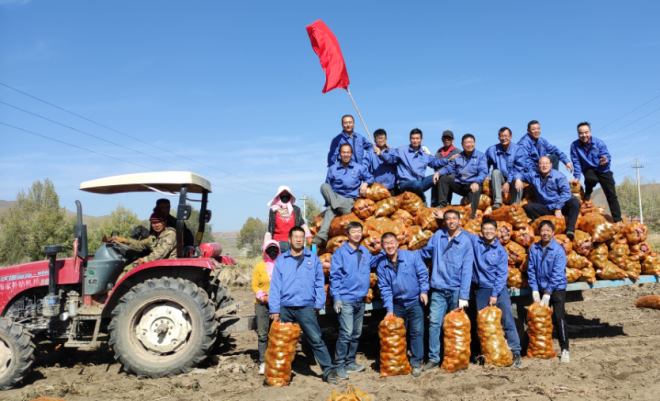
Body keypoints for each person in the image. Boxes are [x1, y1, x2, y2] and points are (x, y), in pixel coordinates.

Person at [269, 226, 339, 384]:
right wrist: (274, 308)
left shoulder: (312, 258)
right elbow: (275, 285)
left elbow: (319, 281)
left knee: (316, 339)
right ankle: (280, 374)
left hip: (306, 306)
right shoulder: (281, 260)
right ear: (289, 239)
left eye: (301, 237)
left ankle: (328, 371)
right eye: (295, 237)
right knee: (282, 342)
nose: (299, 239)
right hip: (285, 307)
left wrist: (319, 301)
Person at [418, 209, 474, 371]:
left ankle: (453, 357)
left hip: (456, 290)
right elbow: (426, 252)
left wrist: (464, 295)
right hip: (438, 289)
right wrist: (406, 255)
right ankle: (434, 358)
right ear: (444, 221)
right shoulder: (438, 236)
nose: (451, 221)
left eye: (454, 218)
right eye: (448, 219)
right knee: (434, 323)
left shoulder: (465, 241)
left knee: (454, 326)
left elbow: (467, 269)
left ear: (459, 221)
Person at [465, 218, 523, 368]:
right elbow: (460, 231)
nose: (488, 231)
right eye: (486, 229)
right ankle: (486, 354)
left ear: (496, 231)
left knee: (507, 320)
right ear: (481, 231)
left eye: (491, 229)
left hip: (498, 289)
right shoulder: (475, 242)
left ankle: (516, 351)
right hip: (481, 289)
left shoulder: (500, 251)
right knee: (483, 324)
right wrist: (445, 218)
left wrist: (494, 294)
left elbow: (502, 275)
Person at [375, 232, 429, 377]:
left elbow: (423, 274)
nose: (390, 246)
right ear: (382, 246)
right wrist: (389, 309)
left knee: (417, 332)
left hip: (415, 301)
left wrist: (424, 291)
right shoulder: (382, 265)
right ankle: (401, 361)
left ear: (397, 243)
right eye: (386, 243)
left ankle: (416, 362)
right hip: (397, 303)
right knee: (397, 334)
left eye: (392, 242)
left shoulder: (411, 256)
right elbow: (385, 289)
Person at [330, 222, 371, 380]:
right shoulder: (340, 253)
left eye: (359, 231)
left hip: (360, 299)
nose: (357, 234)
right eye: (353, 232)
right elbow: (335, 276)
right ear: (347, 234)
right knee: (346, 333)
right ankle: (339, 364)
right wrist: (337, 298)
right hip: (346, 299)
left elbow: (373, 263)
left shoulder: (365, 251)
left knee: (356, 333)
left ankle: (350, 361)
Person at [527, 219, 570, 363]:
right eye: (543, 230)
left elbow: (557, 273)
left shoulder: (558, 250)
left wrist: (548, 292)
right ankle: (543, 347)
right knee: (542, 318)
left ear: (553, 233)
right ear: (539, 232)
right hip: (540, 288)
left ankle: (565, 349)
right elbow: (531, 270)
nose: (545, 233)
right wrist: (534, 289)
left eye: (548, 230)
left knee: (559, 317)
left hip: (556, 288)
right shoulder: (534, 248)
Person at [313, 144, 374, 245]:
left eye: (348, 152)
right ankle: (338, 208)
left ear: (351, 154)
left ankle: (322, 235)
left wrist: (365, 184)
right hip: (335, 198)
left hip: (348, 200)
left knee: (331, 209)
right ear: (340, 154)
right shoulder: (332, 169)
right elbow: (328, 188)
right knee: (324, 186)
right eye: (343, 152)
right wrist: (329, 203)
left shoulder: (358, 168)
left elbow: (370, 177)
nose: (346, 154)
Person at [375, 128, 448, 204]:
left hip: (420, 183)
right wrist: (381, 154)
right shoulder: (402, 150)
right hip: (405, 184)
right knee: (417, 184)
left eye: (417, 138)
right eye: (413, 138)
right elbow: (390, 159)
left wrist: (448, 160)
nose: (415, 140)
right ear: (410, 139)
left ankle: (435, 203)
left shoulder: (425, 154)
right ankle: (422, 199)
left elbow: (435, 163)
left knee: (440, 177)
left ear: (421, 139)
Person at [570, 122, 622, 222]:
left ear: (590, 132)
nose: (584, 135)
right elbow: (576, 162)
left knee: (611, 195)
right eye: (581, 133)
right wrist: (577, 177)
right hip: (589, 169)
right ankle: (588, 192)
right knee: (590, 178)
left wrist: (605, 160)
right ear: (578, 134)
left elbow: (606, 156)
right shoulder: (574, 145)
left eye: (586, 132)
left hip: (603, 170)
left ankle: (618, 220)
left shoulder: (599, 143)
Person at [519, 156, 581, 240]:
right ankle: (543, 228)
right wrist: (518, 179)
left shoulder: (559, 176)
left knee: (575, 203)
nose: (544, 165)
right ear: (538, 166)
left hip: (559, 205)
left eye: (546, 163)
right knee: (530, 207)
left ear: (551, 165)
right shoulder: (533, 175)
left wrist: (558, 207)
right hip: (546, 207)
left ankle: (570, 229)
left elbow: (566, 192)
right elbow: (519, 174)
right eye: (541, 164)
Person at [435, 134, 488, 219]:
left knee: (475, 189)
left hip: (472, 185)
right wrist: (438, 173)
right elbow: (449, 168)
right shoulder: (458, 157)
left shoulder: (481, 156)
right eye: (466, 142)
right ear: (462, 144)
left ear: (474, 143)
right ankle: (442, 205)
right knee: (443, 178)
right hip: (460, 185)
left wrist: (476, 182)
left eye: (471, 142)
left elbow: (483, 172)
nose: (469, 144)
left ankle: (471, 216)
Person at [110, 211, 176, 275]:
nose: (156, 225)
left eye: (159, 222)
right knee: (127, 269)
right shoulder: (153, 236)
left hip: (169, 267)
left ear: (165, 222)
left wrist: (144, 259)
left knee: (129, 270)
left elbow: (161, 253)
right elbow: (139, 244)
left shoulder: (170, 234)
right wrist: (123, 240)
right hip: (158, 264)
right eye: (154, 223)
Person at [251, 240, 281, 375]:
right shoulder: (259, 267)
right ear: (264, 251)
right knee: (263, 335)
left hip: (279, 304)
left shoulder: (282, 265)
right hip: (262, 304)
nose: (272, 252)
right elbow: (254, 285)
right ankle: (263, 362)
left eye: (275, 250)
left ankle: (277, 361)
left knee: (278, 334)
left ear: (279, 251)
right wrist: (264, 297)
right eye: (269, 250)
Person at [485, 127, 525, 208]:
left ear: (511, 137)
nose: (504, 138)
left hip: (513, 177)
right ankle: (498, 202)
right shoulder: (492, 150)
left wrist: (508, 182)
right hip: (500, 179)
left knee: (519, 180)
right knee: (495, 172)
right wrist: (486, 176)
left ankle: (515, 205)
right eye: (502, 136)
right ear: (499, 138)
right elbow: (485, 164)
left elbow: (519, 168)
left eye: (506, 136)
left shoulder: (518, 149)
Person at [264, 186, 312, 252]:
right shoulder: (273, 211)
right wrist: (266, 245)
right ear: (278, 196)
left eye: (287, 194)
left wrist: (308, 237)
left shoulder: (296, 210)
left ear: (290, 196)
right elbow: (269, 229)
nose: (285, 196)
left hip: (293, 243)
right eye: (282, 194)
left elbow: (302, 224)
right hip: (277, 244)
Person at [431, 130, 462, 207]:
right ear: (442, 139)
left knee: (445, 180)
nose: (446, 140)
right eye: (445, 138)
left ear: (453, 139)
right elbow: (435, 164)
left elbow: (460, 167)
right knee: (434, 180)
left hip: (451, 178)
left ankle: (445, 204)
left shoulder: (458, 152)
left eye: (449, 138)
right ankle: (434, 204)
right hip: (439, 176)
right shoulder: (438, 152)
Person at [362, 129, 397, 193]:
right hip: (376, 188)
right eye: (378, 139)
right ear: (375, 141)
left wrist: (381, 153)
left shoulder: (392, 151)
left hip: (391, 188)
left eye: (382, 139)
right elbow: (365, 164)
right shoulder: (370, 152)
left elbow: (392, 160)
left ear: (386, 139)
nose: (380, 140)